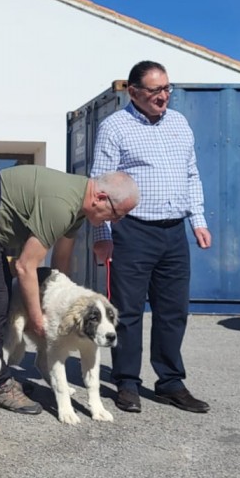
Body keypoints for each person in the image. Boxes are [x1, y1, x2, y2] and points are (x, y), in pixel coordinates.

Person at [90, 60, 212, 415]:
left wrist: (198, 221)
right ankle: (127, 382)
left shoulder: (179, 123)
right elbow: (100, 185)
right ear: (134, 92)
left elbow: (192, 174)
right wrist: (102, 234)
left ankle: (171, 382)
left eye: (167, 88)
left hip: (174, 231)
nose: (164, 96)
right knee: (126, 312)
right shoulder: (115, 127)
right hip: (132, 232)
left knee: (173, 310)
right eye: (156, 90)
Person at [0, 165, 139, 413]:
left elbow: (60, 266)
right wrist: (39, 320)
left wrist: (64, 299)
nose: (115, 222)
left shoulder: (81, 206)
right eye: (116, 215)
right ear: (100, 198)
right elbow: (26, 266)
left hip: (0, 237)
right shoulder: (62, 205)